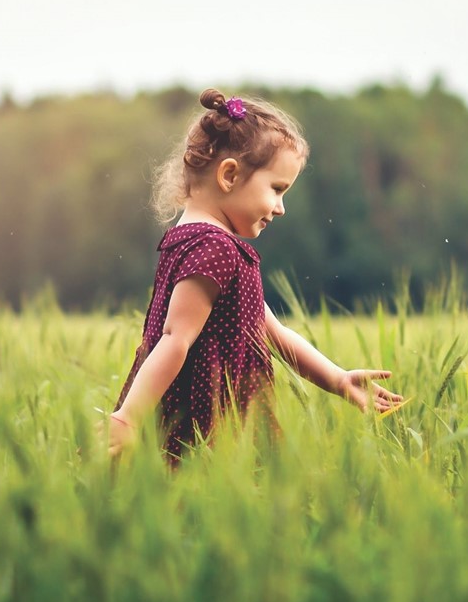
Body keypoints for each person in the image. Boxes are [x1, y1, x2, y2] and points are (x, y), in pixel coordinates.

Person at [105, 89, 402, 459]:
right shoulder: (213, 248)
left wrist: (337, 379)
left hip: (218, 415)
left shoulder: (200, 244)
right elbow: (174, 338)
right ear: (229, 175)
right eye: (277, 190)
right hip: (206, 421)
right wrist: (130, 418)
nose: (280, 208)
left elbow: (270, 332)